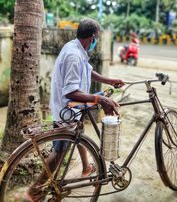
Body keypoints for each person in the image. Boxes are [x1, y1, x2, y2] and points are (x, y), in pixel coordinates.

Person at [25, 17, 124, 201]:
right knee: (60, 151)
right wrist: (99, 99)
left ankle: (86, 167)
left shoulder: (76, 47)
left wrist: (109, 81)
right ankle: (35, 190)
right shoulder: (73, 55)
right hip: (66, 109)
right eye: (97, 38)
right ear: (92, 36)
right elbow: (70, 92)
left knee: (79, 132)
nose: (97, 41)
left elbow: (87, 70)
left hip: (73, 110)